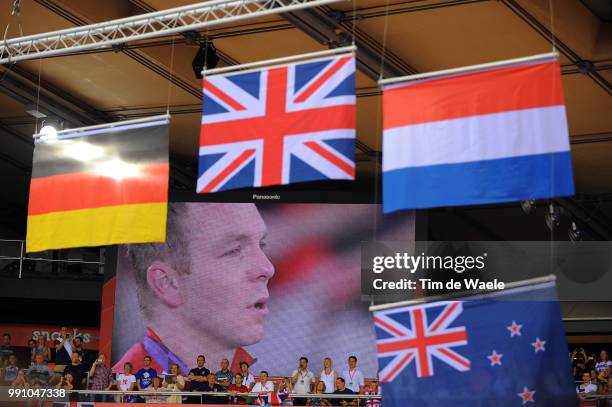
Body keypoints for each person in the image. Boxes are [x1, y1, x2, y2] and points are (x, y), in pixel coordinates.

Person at [114, 203, 275, 374]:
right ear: (167, 283)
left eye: (261, 244)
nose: (267, 268)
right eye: (234, 251)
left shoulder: (248, 387)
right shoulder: (122, 396)